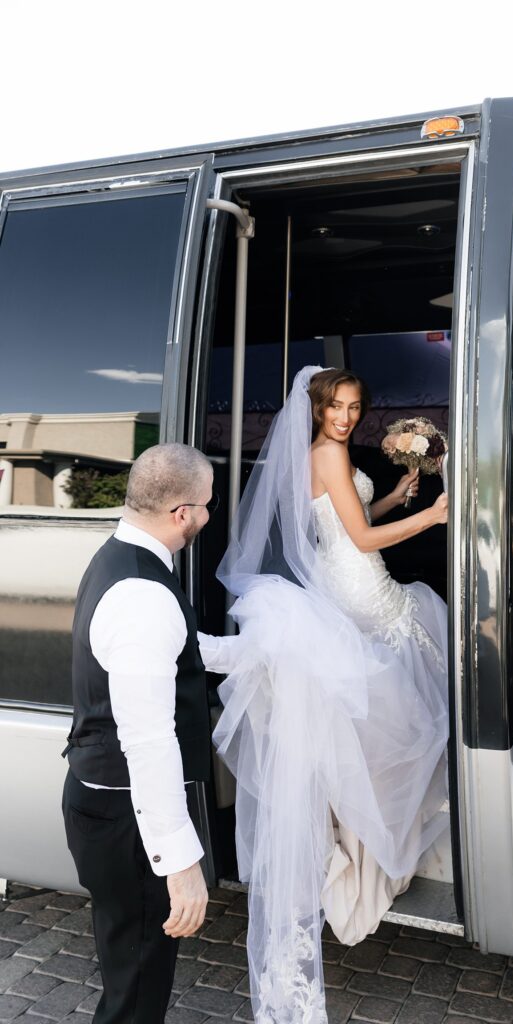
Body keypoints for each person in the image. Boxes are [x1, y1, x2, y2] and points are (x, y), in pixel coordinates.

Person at [213, 367, 450, 1024]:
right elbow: (364, 542)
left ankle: (381, 815)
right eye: (335, 406)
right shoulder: (325, 451)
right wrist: (433, 514)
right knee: (413, 701)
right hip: (364, 590)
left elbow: (350, 521)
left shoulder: (329, 454)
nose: (345, 417)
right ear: (315, 409)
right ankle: (380, 822)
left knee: (409, 694)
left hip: (352, 580)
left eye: (353, 407)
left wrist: (397, 494)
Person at [61, 443, 236, 1024]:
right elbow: (149, 741)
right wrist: (181, 865)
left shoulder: (122, 556)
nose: (210, 516)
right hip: (127, 823)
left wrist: (261, 653)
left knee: (128, 972)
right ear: (182, 512)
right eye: (207, 505)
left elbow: (178, 650)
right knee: (136, 989)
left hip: (106, 807)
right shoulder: (142, 593)